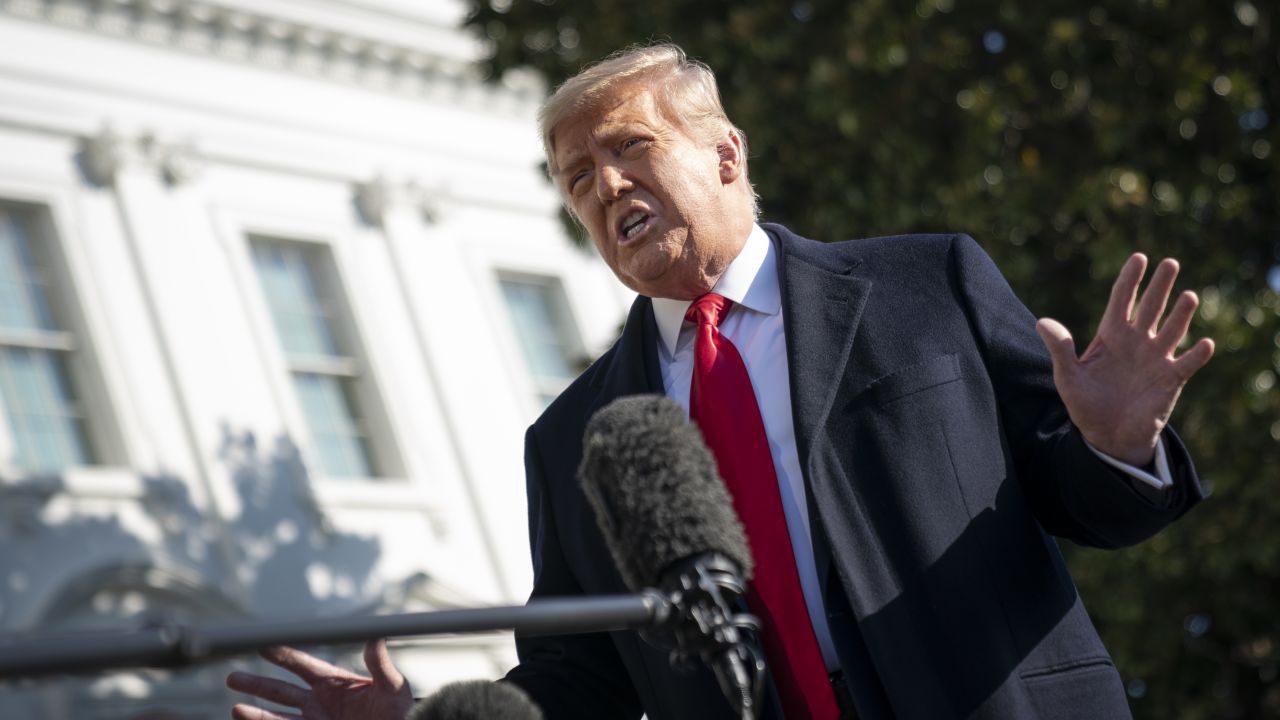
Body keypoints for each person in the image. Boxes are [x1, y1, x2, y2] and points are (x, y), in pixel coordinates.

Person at [225, 43, 1214, 720]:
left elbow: (1083, 504)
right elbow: (585, 683)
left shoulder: (926, 284)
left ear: (725, 153)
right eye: (577, 178)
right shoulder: (576, 439)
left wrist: (1113, 445)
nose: (605, 187)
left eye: (628, 149)